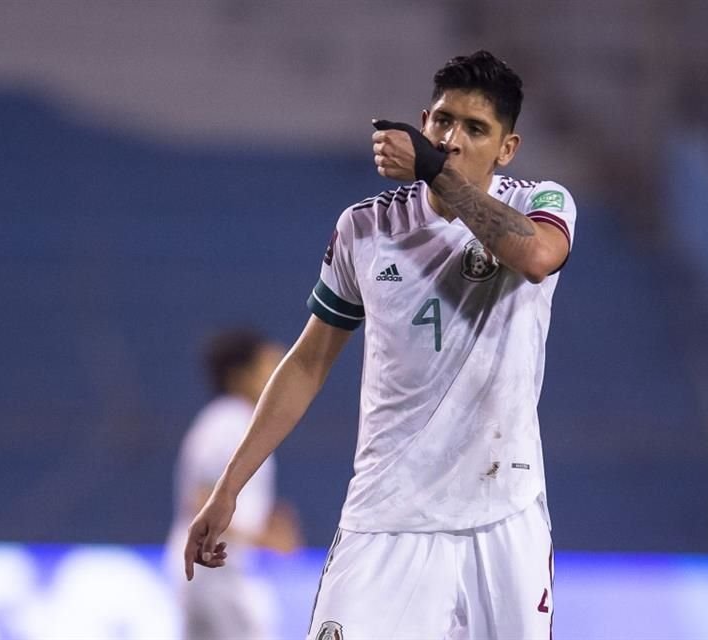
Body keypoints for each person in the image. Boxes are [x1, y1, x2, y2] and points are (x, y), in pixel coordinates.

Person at [183, 50, 577, 639]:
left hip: (502, 517)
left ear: (507, 148)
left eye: (475, 129)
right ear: (423, 122)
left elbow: (537, 258)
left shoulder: (541, 204)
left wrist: (433, 171)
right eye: (442, 122)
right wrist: (228, 489)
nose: (452, 140)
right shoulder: (364, 227)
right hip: (386, 518)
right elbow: (307, 364)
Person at [166, 328, 301, 640]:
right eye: (268, 365)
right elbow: (200, 502)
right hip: (216, 575)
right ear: (240, 375)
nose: (277, 373)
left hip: (207, 572)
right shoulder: (229, 422)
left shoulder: (229, 420)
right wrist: (265, 538)